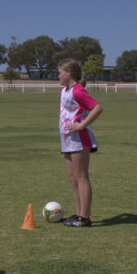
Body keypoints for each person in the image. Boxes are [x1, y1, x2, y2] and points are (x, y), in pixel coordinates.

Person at [57, 58, 103, 227]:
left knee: (81, 177)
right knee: (73, 178)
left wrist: (81, 125)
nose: (58, 76)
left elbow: (97, 108)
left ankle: (84, 217)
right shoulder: (64, 90)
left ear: (69, 73)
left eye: (60, 73)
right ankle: (78, 214)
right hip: (67, 140)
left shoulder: (77, 90)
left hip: (79, 139)